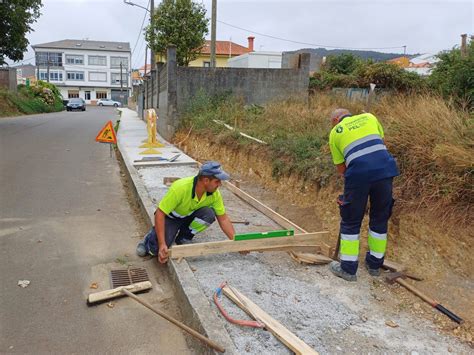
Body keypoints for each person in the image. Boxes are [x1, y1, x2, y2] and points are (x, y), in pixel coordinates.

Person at [328, 108, 399, 281]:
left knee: (351, 221)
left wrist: (354, 187)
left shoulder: (335, 132)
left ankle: (348, 269)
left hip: (359, 175)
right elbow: (381, 144)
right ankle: (374, 265)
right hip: (385, 171)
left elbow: (341, 169)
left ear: (336, 120)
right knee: (380, 218)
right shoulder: (369, 117)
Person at [136, 161, 236, 263]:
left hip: (188, 216)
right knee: (156, 250)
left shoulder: (214, 194)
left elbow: (223, 219)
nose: (220, 184)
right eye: (217, 181)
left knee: (209, 214)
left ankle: (184, 237)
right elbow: (159, 214)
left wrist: (236, 241)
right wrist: (162, 244)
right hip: (172, 218)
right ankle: (148, 242)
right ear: (206, 180)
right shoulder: (180, 188)